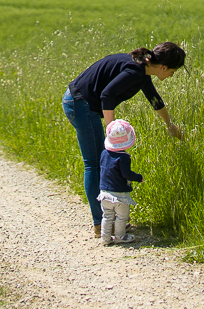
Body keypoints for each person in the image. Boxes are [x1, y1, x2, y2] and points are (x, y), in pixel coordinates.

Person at [62, 41, 185, 236]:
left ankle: (103, 220)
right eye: (173, 71)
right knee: (95, 163)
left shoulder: (143, 70)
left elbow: (154, 98)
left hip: (80, 102)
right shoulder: (135, 71)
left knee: (99, 162)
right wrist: (111, 131)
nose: (172, 75)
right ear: (163, 67)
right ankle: (100, 224)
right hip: (80, 103)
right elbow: (107, 95)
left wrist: (170, 125)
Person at [98, 119, 143, 244]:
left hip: (104, 193)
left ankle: (105, 238)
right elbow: (126, 174)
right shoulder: (123, 158)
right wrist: (139, 177)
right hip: (120, 195)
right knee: (122, 217)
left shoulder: (104, 154)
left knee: (107, 215)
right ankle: (120, 236)